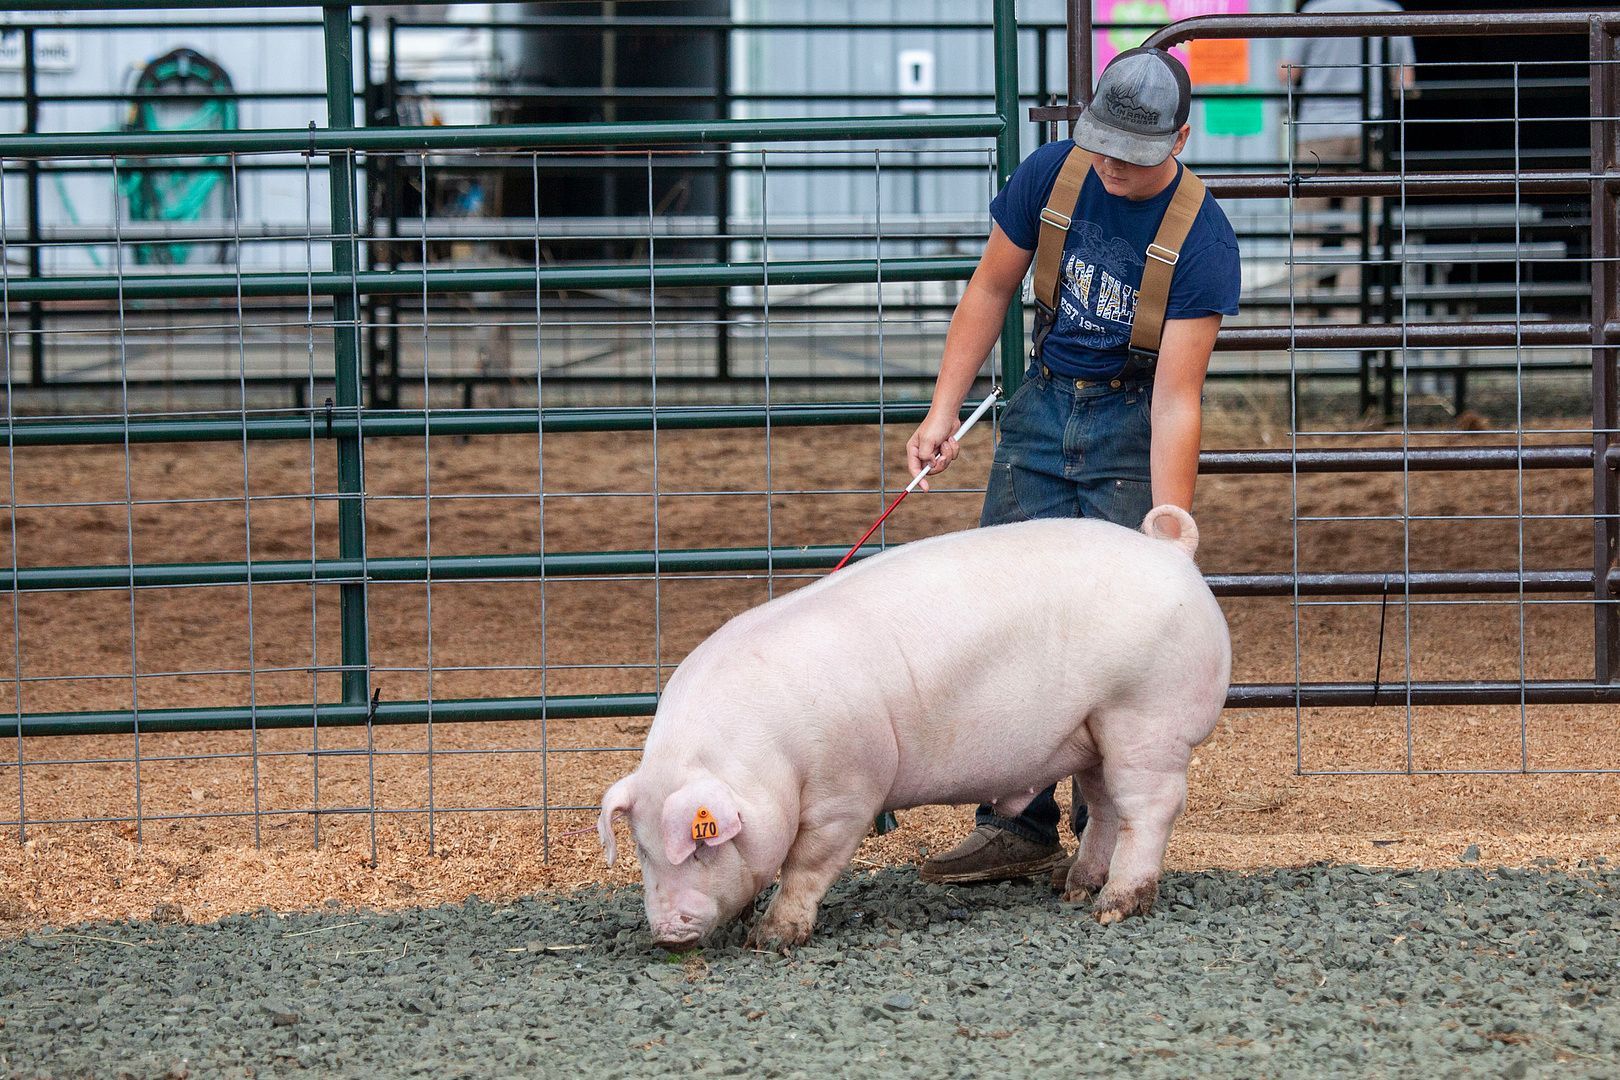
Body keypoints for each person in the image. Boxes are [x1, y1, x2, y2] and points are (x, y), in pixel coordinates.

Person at [907, 47, 1240, 886]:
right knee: (1002, 605)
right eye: (1102, 145)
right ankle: (1014, 822)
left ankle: (1113, 825)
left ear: (1181, 137)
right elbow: (989, 289)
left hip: (1131, 417)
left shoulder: (1201, 236)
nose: (1113, 168)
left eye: (1134, 154)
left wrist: (1170, 524)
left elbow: (1177, 397)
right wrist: (945, 406)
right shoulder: (1054, 175)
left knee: (1118, 623)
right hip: (1045, 404)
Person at [1279, 0, 1417, 292]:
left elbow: (1287, 74)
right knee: (1362, 230)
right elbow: (1405, 81)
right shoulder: (1389, 12)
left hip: (1317, 131)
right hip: (1370, 130)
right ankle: (1350, 316)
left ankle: (1302, 311)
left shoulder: (1314, 12)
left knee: (1308, 226)